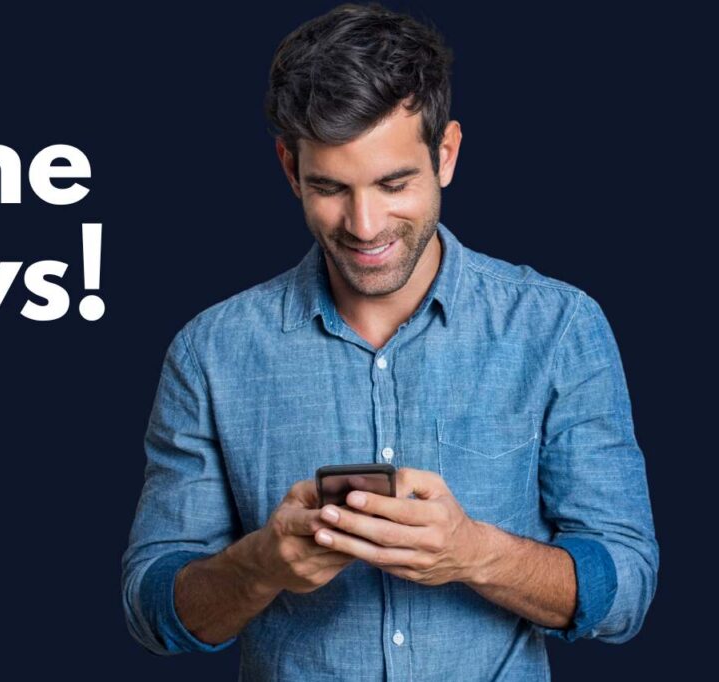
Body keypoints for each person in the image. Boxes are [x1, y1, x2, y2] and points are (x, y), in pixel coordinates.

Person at [120, 3, 659, 680]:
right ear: (290, 169)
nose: (364, 224)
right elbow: (153, 612)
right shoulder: (210, 353)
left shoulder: (558, 328)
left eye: (394, 182)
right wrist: (259, 566)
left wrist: (475, 554)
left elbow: (626, 591)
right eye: (329, 188)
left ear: (447, 155)